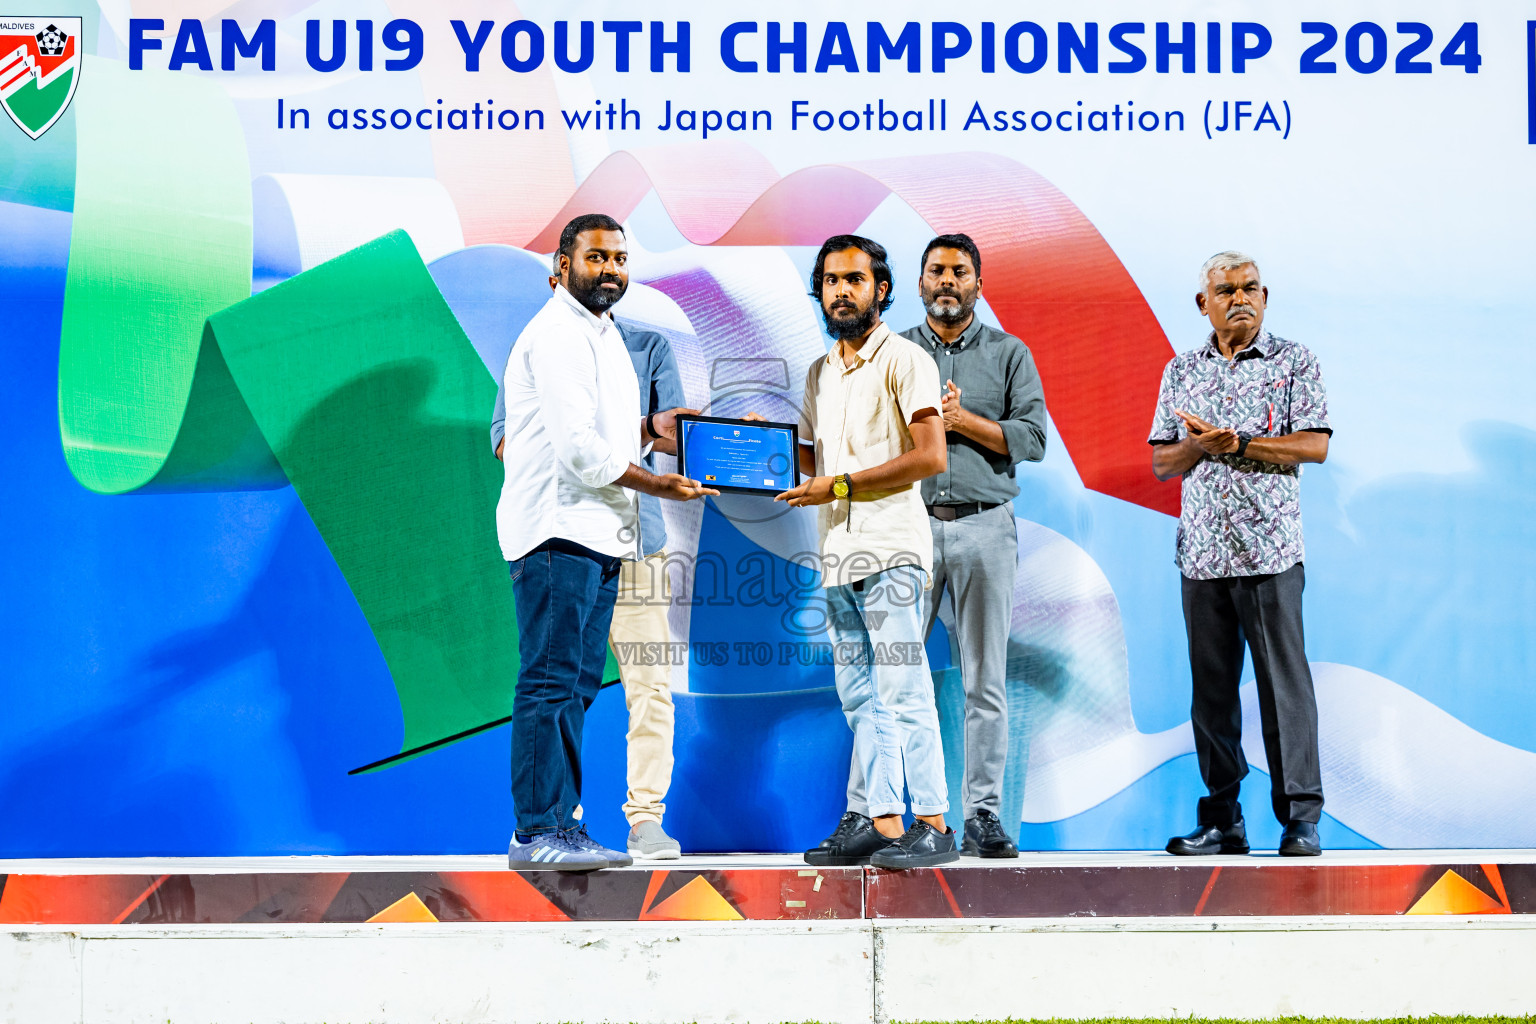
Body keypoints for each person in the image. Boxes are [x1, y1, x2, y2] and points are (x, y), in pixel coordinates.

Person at [497, 213, 715, 871]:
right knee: (550, 680)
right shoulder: (559, 335)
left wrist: (723, 439)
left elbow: (629, 433)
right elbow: (583, 451)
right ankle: (536, 832)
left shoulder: (607, 341)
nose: (611, 269)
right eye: (597, 258)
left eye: (620, 259)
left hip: (602, 539)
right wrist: (659, 481)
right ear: (562, 266)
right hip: (559, 531)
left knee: (575, 685)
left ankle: (563, 825)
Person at [848, 232, 1046, 858]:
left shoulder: (1010, 353)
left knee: (983, 681)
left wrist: (963, 422)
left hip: (986, 527)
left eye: (960, 272)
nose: (947, 281)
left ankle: (982, 814)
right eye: (936, 271)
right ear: (918, 283)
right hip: (905, 526)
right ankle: (877, 814)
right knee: (889, 675)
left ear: (978, 285)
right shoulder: (895, 351)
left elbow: (1033, 438)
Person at [779, 234, 956, 870]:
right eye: (830, 280)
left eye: (855, 279)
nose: (842, 291)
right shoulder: (819, 373)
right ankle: (882, 823)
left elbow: (930, 455)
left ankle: (934, 823)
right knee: (861, 698)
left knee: (904, 690)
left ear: (881, 289)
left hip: (891, 554)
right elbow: (805, 459)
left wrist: (842, 484)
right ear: (819, 291)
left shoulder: (907, 360)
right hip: (837, 553)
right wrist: (741, 453)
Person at [1148, 250, 1331, 858]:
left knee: (1285, 690)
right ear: (1204, 303)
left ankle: (1300, 818)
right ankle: (1223, 819)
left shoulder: (1293, 361)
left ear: (1265, 295)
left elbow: (1313, 446)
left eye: (1250, 288)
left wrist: (1243, 443)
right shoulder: (1181, 370)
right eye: (1225, 290)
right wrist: (1202, 446)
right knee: (1213, 695)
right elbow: (1161, 461)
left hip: (1271, 552)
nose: (1239, 298)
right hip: (1202, 555)